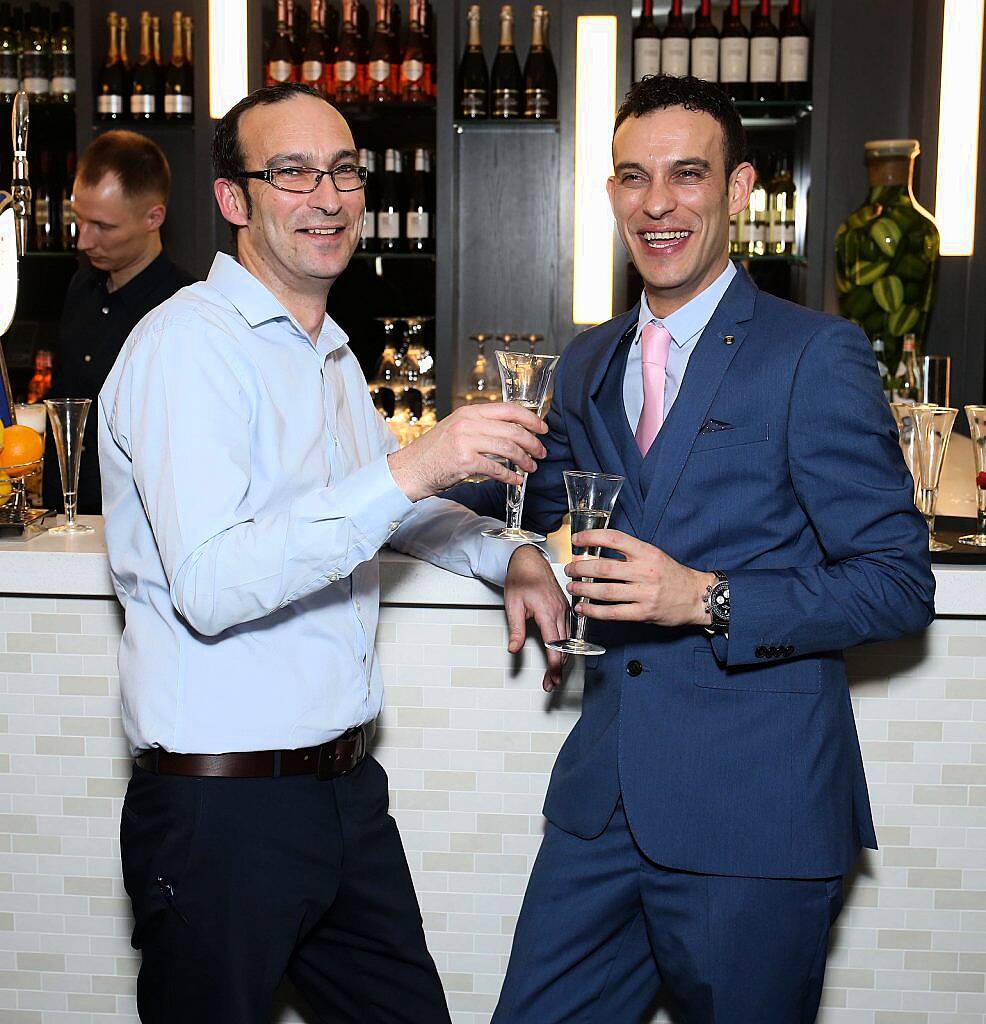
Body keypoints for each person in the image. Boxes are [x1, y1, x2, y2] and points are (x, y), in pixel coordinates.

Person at [447, 75, 936, 1023]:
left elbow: (895, 584)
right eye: (633, 177)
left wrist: (705, 598)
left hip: (756, 815)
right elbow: (534, 497)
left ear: (740, 188)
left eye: (687, 174)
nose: (657, 203)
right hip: (602, 808)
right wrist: (496, 541)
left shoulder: (814, 354)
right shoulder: (588, 359)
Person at [97, 82, 567, 1024]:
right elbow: (215, 584)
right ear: (235, 200)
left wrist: (508, 553)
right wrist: (423, 460)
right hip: (220, 812)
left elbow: (386, 515)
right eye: (293, 172)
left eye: (344, 170)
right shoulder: (188, 347)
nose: (328, 194)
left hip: (344, 797)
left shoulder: (334, 354)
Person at [43, 131, 194, 514]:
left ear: (153, 217)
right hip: (66, 523)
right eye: (80, 220)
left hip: (142, 533)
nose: (83, 241)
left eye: (103, 227)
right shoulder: (80, 287)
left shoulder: (186, 308)